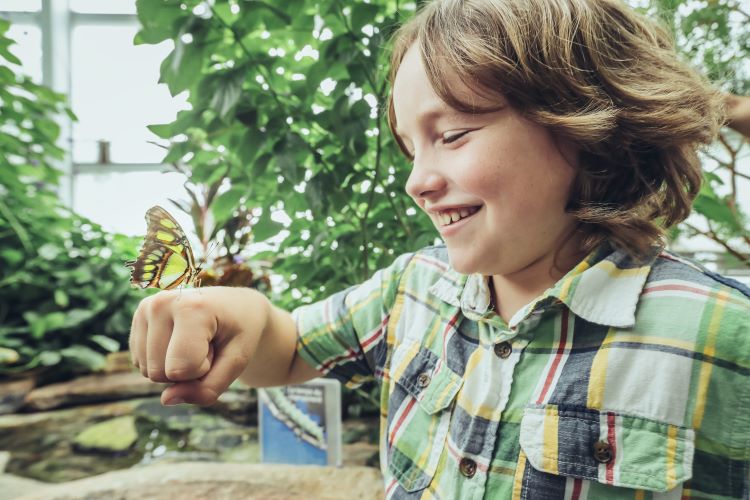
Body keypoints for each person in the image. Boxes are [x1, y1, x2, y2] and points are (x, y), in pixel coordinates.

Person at [129, 0, 750, 497]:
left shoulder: (723, 335)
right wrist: (239, 316)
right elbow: (290, 349)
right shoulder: (412, 289)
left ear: (588, 125)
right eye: (410, 145)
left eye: (451, 135)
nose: (416, 180)